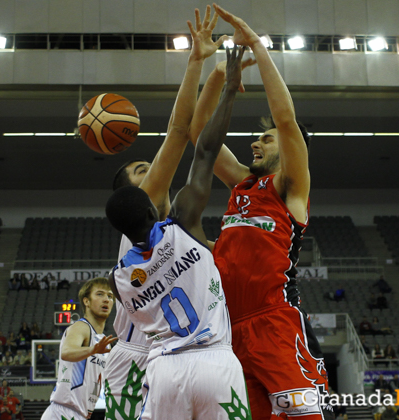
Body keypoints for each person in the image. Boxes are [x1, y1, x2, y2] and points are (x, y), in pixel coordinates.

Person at [103, 7, 248, 420]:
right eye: (140, 171)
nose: (150, 170)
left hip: (160, 358)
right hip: (151, 356)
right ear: (138, 195)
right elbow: (181, 132)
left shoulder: (129, 265)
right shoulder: (168, 216)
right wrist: (198, 63)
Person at [192, 5, 333, 419]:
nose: (256, 143)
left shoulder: (289, 189)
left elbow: (287, 121)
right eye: (258, 137)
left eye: (266, 139)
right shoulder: (242, 184)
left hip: (275, 325)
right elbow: (198, 136)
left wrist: (256, 45)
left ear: (289, 151)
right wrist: (218, 75)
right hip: (229, 331)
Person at [41, 277, 116, 420]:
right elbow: (66, 352)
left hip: (80, 414)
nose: (106, 299)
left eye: (110, 296)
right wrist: (93, 350)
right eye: (100, 294)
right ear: (86, 301)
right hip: (63, 411)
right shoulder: (81, 327)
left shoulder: (105, 342)